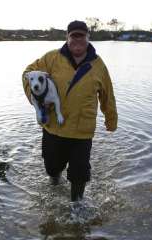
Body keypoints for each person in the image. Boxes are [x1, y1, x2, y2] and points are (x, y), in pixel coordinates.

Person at [22, 20, 118, 202]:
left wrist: (111, 120)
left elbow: (107, 94)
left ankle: (77, 208)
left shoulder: (99, 65)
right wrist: (35, 99)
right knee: (51, 168)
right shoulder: (51, 58)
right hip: (54, 128)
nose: (77, 40)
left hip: (82, 131)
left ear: (88, 37)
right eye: (74, 36)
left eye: (81, 36)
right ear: (67, 37)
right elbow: (27, 73)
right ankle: (54, 185)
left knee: (79, 174)